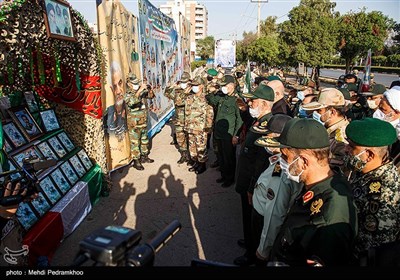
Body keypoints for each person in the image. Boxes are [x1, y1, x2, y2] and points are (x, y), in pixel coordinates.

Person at [269, 118, 358, 266]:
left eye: (285, 157)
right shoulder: (317, 185)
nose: (281, 162)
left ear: (304, 161)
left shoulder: (331, 214)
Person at [345, 118, 400, 266]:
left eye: (351, 147)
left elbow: (372, 247)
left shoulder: (382, 194)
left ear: (369, 155)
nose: (346, 150)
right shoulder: (364, 171)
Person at [250, 114, 302, 264]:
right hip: (261, 214)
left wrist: (263, 250)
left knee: (261, 258)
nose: (267, 138)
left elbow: (274, 215)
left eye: (270, 135)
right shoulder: (280, 161)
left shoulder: (281, 172)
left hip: (264, 220)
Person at [233, 84, 275, 266]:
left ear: (265, 104)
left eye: (253, 101)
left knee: (254, 219)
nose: (250, 103)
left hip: (254, 183)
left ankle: (252, 253)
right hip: (247, 179)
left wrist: (252, 188)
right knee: (247, 217)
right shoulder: (258, 120)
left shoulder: (268, 125)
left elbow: (261, 163)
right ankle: (248, 241)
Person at [205, 75, 243, 187]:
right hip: (219, 133)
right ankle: (223, 175)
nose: (223, 88)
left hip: (229, 134)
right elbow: (210, 99)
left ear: (232, 85)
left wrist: (236, 135)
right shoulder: (222, 96)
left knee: (229, 158)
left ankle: (230, 178)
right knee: (221, 156)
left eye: (225, 85)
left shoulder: (237, 99)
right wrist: (213, 90)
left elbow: (239, 120)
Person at [302, 88, 349, 174]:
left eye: (319, 110)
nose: (315, 113)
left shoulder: (340, 136)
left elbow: (340, 165)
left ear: (332, 112)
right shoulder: (327, 129)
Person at [184, 76, 213, 174]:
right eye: (192, 85)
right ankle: (196, 162)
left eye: (196, 85)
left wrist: (208, 127)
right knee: (192, 147)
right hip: (190, 127)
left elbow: (210, 114)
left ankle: (202, 164)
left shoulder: (206, 98)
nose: (193, 87)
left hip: (201, 128)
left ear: (201, 86)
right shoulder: (189, 97)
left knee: (201, 147)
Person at [125, 74, 154, 170]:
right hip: (134, 124)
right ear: (129, 84)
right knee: (135, 142)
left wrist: (149, 89)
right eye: (134, 83)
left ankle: (145, 156)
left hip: (143, 121)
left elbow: (151, 96)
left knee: (144, 140)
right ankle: (136, 161)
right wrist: (140, 90)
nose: (137, 84)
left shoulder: (141, 91)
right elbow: (132, 102)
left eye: (138, 83)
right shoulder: (128, 94)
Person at [165, 72, 191, 164]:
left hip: (190, 120)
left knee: (190, 139)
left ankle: (191, 157)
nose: (183, 84)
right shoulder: (177, 91)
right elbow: (167, 94)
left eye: (185, 82)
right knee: (180, 138)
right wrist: (170, 87)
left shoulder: (193, 91)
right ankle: (184, 155)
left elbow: (180, 102)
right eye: (182, 82)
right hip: (179, 120)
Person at [105, 61, 127, 139]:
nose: (118, 91)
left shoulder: (129, 107)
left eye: (120, 83)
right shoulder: (109, 114)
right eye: (114, 87)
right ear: (111, 89)